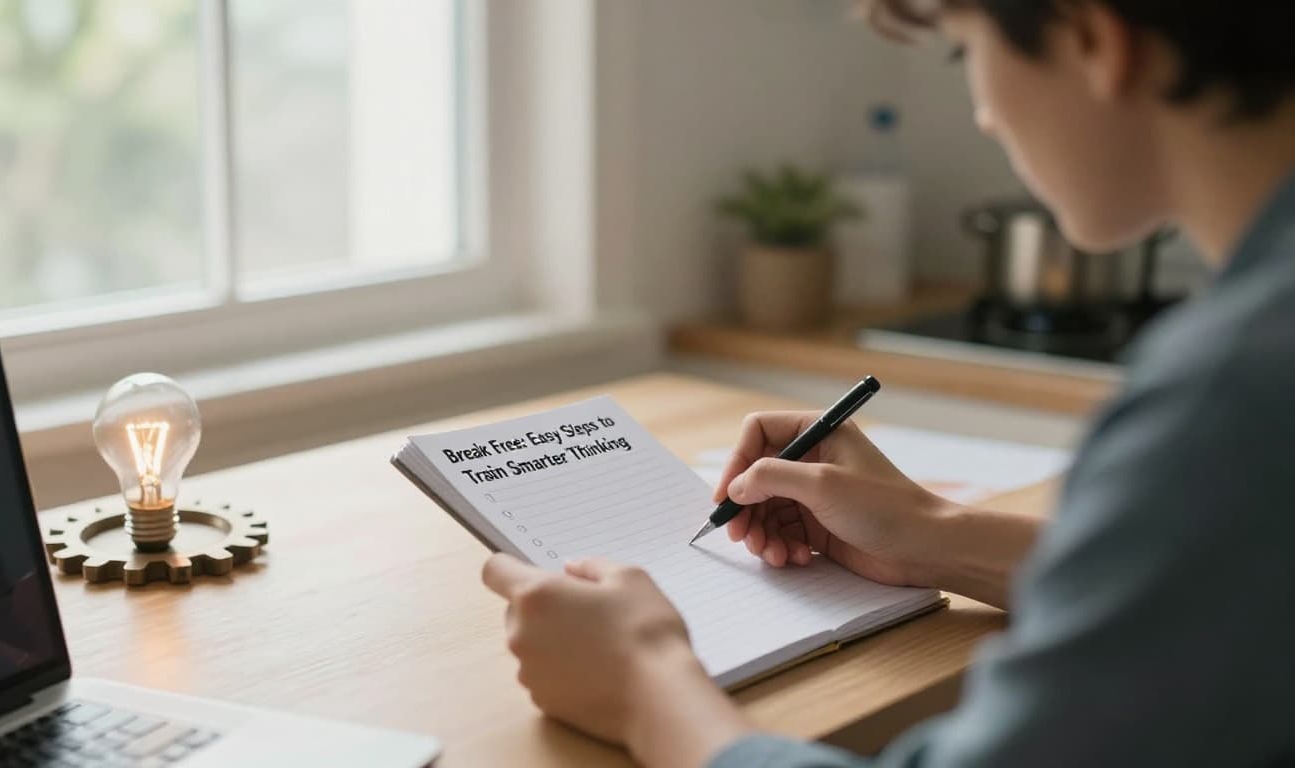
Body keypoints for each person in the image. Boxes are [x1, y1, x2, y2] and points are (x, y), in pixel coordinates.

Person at [481, 0, 1295, 765]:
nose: (983, 112)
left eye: (963, 48)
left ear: (1092, 40)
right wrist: (937, 537)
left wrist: (644, 687)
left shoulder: (1230, 397)